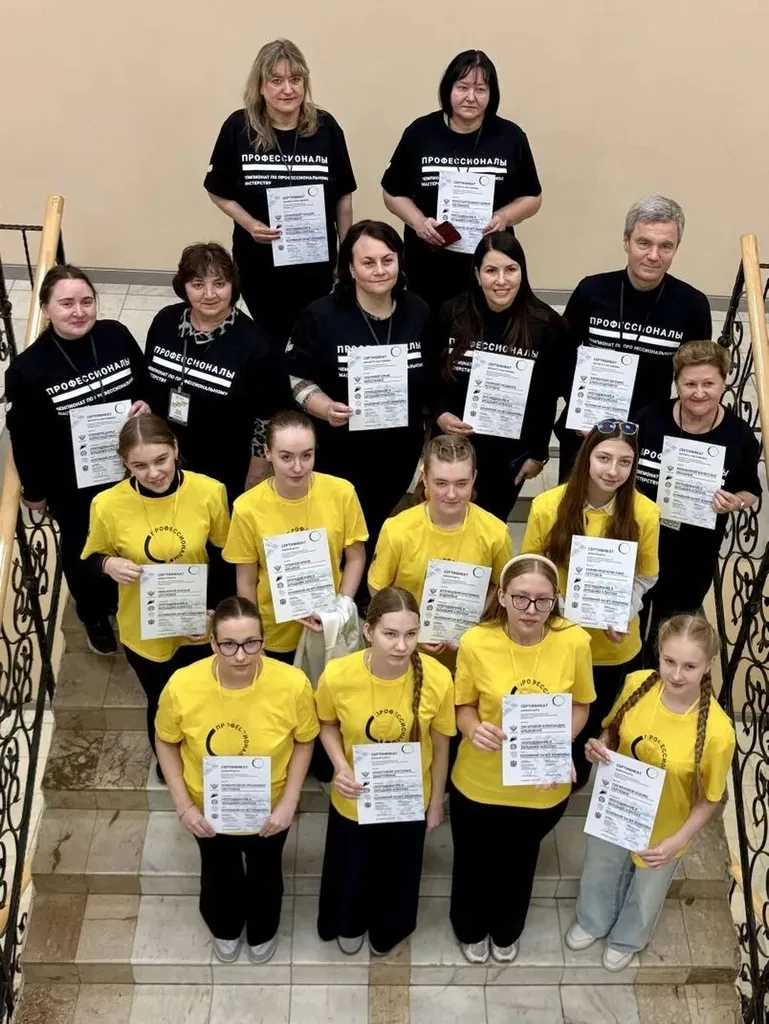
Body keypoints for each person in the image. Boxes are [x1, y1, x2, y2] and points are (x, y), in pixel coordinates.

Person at [565, 614, 735, 972]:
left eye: (689, 666)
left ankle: (627, 939)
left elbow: (710, 798)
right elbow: (612, 732)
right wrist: (599, 747)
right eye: (669, 661)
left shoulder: (719, 733)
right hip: (617, 807)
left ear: (708, 666)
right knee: (600, 867)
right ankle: (592, 920)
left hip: (666, 825)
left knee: (646, 890)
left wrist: (678, 841)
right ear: (658, 654)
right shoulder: (637, 683)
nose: (676, 674)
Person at [155, 595, 318, 965]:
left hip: (269, 806)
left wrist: (289, 801)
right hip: (207, 806)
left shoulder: (292, 684)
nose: (241, 656)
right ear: (213, 643)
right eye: (229, 644)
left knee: (266, 872)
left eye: (251, 643)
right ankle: (224, 926)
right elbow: (165, 740)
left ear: (263, 640)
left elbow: (305, 739)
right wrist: (183, 805)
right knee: (218, 871)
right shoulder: (183, 684)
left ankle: (263, 928)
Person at [450, 555, 594, 964]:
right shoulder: (476, 641)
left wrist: (559, 741)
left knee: (519, 863)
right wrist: (473, 728)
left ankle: (507, 929)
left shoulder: (575, 641)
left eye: (543, 601)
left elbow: (581, 705)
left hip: (539, 786)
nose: (531, 610)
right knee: (473, 862)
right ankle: (469, 927)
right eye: (520, 598)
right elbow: (462, 707)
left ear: (556, 600)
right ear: (501, 596)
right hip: (479, 782)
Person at [5, 264, 148, 655]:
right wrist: (34, 491)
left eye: (87, 301)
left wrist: (146, 402)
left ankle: (127, 597)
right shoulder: (27, 370)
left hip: (128, 470)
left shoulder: (115, 335)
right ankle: (94, 613)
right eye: (67, 303)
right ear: (46, 309)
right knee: (83, 546)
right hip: (71, 482)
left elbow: (144, 381)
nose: (79, 311)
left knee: (131, 534)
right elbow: (24, 437)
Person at [81, 414, 230, 763]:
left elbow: (225, 557)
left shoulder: (210, 491)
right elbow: (88, 561)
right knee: (162, 702)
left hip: (199, 624)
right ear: (125, 463)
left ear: (175, 448)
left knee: (207, 700)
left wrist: (215, 613)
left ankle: (206, 761)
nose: (153, 473)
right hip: (144, 631)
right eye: (139, 465)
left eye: (161, 460)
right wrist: (107, 564)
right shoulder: (106, 504)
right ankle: (169, 765)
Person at [315, 587, 455, 955]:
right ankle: (348, 921)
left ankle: (389, 928)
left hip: (409, 800)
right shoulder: (338, 674)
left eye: (411, 634)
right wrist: (341, 766)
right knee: (353, 867)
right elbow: (326, 724)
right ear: (369, 631)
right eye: (390, 634)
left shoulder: (438, 678)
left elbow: (441, 744)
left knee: (399, 871)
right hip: (355, 797)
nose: (401, 645)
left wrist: (436, 802)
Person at [521, 422, 660, 789]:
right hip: (555, 638)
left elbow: (647, 575)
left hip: (611, 649)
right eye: (604, 458)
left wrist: (624, 611)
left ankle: (571, 787)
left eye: (624, 462)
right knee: (549, 721)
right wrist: (561, 607)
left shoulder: (645, 512)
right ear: (586, 457)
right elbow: (531, 569)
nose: (613, 470)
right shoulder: (547, 505)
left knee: (588, 732)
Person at [286, 220, 429, 558]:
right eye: (368, 262)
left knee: (375, 524)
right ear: (350, 268)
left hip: (398, 450)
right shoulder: (320, 316)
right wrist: (324, 407)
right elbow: (296, 380)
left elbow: (431, 381)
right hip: (338, 449)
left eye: (387, 260)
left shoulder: (418, 312)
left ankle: (366, 581)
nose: (379, 270)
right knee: (336, 530)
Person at [205, 38, 356, 346]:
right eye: (276, 81)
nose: (288, 89)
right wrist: (250, 224)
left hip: (315, 263)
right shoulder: (238, 128)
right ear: (260, 86)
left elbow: (343, 196)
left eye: (295, 79)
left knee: (310, 334)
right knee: (270, 337)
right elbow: (217, 191)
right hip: (259, 262)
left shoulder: (326, 128)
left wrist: (347, 251)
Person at [557, 195, 713, 481]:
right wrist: (582, 412)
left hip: (647, 439)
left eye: (665, 246)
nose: (653, 255)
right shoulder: (591, 291)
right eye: (644, 243)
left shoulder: (692, 305)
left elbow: (695, 378)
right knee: (574, 510)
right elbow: (563, 360)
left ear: (676, 248)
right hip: (585, 432)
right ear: (626, 241)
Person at [382, 49, 542, 311]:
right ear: (448, 89)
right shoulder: (420, 133)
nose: (471, 97)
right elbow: (392, 192)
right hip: (428, 262)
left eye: (480, 89)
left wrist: (504, 217)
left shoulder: (510, 137)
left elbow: (533, 197)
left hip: (488, 266)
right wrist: (419, 222)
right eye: (463, 87)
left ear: (492, 94)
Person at [427, 232, 566, 520]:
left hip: (509, 456)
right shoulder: (450, 315)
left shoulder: (546, 325)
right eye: (491, 270)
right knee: (445, 525)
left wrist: (537, 453)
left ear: (522, 271)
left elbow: (547, 396)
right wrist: (440, 414)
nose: (501, 280)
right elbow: (431, 378)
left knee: (490, 528)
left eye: (510, 269)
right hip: (453, 450)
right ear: (477, 275)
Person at [636, 340, 760, 662]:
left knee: (672, 628)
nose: (699, 393)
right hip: (639, 539)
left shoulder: (739, 436)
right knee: (629, 621)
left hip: (693, 551)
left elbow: (750, 489)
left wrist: (735, 503)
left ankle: (661, 683)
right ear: (677, 383)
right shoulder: (650, 419)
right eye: (690, 384)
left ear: (724, 382)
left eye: (709, 384)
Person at [143, 243, 292, 503]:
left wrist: (257, 473)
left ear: (233, 286)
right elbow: (150, 379)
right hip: (164, 457)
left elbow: (267, 419)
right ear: (184, 287)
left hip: (224, 464)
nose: (209, 294)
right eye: (198, 284)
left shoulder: (257, 345)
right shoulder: (165, 322)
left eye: (220, 284)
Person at [222, 411, 368, 662]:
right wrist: (253, 633)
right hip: (276, 631)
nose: (298, 467)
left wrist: (342, 605)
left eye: (306, 455)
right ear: (268, 453)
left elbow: (355, 557)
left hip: (328, 624)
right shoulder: (247, 507)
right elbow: (246, 580)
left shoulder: (341, 493)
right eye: (286, 457)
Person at [368, 435, 512, 655]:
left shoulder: (496, 532)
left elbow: (502, 586)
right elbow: (378, 588)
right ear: (425, 478)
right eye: (441, 483)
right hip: (406, 652)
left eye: (461, 483)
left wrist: (473, 623)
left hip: (469, 652)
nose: (451, 494)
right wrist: (410, 632)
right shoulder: (397, 529)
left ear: (474, 478)